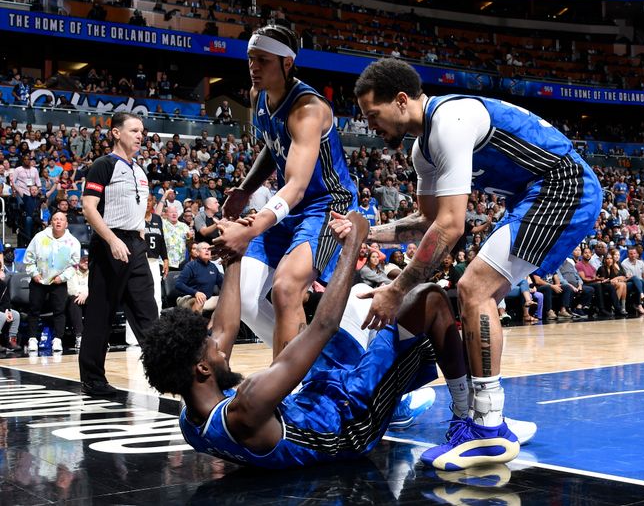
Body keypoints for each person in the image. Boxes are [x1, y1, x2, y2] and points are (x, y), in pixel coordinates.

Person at [352, 58, 600, 469]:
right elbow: (427, 222)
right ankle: (486, 418)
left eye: (372, 115)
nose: (369, 127)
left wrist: (397, 291)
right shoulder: (422, 148)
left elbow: (450, 229)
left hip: (564, 186)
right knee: (474, 293)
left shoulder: (449, 121)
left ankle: (487, 428)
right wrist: (367, 232)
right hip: (532, 195)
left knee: (473, 288)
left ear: (400, 101)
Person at [141, 212, 497, 470]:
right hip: (352, 421)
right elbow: (322, 326)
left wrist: (236, 255)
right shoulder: (246, 407)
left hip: (319, 400)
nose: (220, 345)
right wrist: (354, 240)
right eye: (212, 349)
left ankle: (405, 395)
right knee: (430, 299)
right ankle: (466, 417)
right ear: (201, 367)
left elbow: (224, 328)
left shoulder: (191, 420)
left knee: (313, 330)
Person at [214, 24, 357, 358]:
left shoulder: (307, 109)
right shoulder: (258, 95)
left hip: (327, 205)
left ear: (287, 63)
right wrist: (245, 189)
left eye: (263, 60)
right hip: (290, 208)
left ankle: (287, 392)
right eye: (251, 59)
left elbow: (296, 186)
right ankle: (308, 371)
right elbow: (273, 145)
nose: (254, 67)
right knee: (247, 297)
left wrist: (249, 230)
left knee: (287, 288)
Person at [80, 112, 158, 397]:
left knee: (148, 313)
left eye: (142, 131)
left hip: (135, 245)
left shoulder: (140, 170)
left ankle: (167, 376)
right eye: (134, 130)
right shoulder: (103, 165)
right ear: (115, 133)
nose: (140, 135)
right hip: (108, 242)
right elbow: (89, 207)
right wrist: (112, 239)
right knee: (101, 314)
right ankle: (92, 380)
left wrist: (139, 234)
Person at [23, 212, 81, 353]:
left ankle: (57, 340)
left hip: (58, 281)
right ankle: (32, 339)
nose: (58, 222)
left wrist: (62, 277)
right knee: (34, 310)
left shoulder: (73, 242)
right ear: (51, 222)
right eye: (55, 219)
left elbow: (74, 265)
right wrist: (34, 273)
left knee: (59, 312)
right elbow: (29, 257)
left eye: (61, 219)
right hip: (39, 280)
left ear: (66, 224)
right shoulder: (39, 237)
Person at [126, 194, 169, 346]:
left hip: (154, 261)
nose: (148, 203)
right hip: (138, 261)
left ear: (153, 203)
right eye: (145, 200)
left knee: (156, 298)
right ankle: (132, 338)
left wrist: (165, 258)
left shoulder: (157, 219)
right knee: (136, 298)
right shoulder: (135, 218)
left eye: (150, 200)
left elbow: (161, 240)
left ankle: (154, 334)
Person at [175, 242, 224, 313]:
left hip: (207, 299)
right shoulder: (191, 266)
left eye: (209, 249)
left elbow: (222, 285)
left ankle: (213, 323)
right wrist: (196, 293)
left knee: (227, 299)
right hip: (187, 298)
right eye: (204, 249)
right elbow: (178, 284)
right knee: (200, 299)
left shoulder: (213, 267)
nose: (207, 250)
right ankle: (195, 323)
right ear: (197, 253)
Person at [66, 250, 90, 350]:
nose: (86, 262)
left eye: (88, 260)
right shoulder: (71, 272)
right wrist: (80, 294)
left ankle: (96, 336)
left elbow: (96, 287)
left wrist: (86, 294)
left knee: (98, 301)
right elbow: (71, 289)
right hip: (76, 299)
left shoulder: (94, 272)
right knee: (74, 301)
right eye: (83, 260)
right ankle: (79, 336)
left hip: (89, 298)